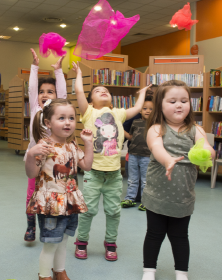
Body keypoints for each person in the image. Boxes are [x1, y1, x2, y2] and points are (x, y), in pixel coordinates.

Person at [71, 61, 149, 261]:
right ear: (90, 101)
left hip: (114, 174)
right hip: (93, 172)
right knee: (88, 210)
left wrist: (142, 93)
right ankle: (81, 241)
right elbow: (79, 93)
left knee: (113, 211)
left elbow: (139, 107)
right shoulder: (88, 113)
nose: (102, 91)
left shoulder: (119, 114)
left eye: (105, 89)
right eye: (97, 91)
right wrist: (78, 74)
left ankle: (111, 242)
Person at [142, 80, 214, 280]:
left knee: (180, 236)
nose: (179, 105)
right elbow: (157, 149)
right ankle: (149, 270)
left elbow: (208, 147)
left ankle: (181, 273)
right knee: (154, 234)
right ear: (160, 105)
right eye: (172, 101)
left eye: (184, 100)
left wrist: (208, 152)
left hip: (183, 196)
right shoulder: (156, 128)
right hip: (157, 195)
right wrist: (168, 161)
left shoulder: (195, 129)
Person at [25, 98, 93, 280]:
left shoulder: (72, 145)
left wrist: (88, 143)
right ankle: (44, 276)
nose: (68, 122)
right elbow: (31, 174)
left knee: (63, 241)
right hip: (51, 204)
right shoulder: (44, 147)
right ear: (48, 122)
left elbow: (86, 165)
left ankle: (59, 271)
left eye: (71, 118)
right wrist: (32, 153)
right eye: (61, 118)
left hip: (70, 201)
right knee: (51, 244)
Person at [24, 49, 67, 242]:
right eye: (42, 92)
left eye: (50, 91)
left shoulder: (58, 110)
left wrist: (58, 71)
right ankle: (31, 225)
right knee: (31, 193)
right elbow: (32, 89)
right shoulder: (35, 108)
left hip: (55, 161)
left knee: (53, 192)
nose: (44, 94)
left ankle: (52, 225)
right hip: (36, 160)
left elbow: (63, 94)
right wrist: (34, 66)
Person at [121, 95, 154, 210]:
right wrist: (120, 128)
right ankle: (130, 198)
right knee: (132, 179)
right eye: (145, 108)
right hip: (133, 155)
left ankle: (145, 201)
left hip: (147, 156)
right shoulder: (135, 122)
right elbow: (130, 137)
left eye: (151, 109)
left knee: (145, 180)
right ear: (139, 109)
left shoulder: (155, 124)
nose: (148, 111)